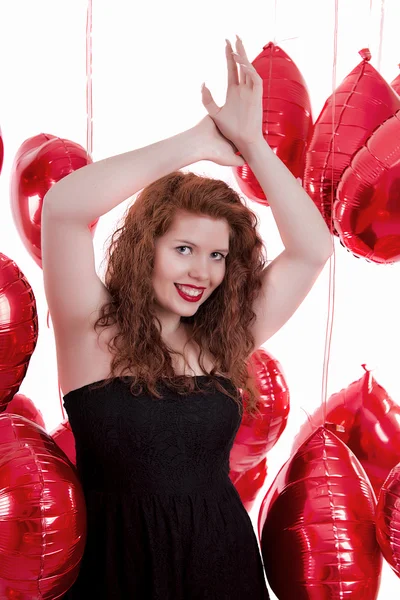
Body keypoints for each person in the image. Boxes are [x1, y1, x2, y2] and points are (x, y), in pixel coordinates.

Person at [42, 36, 333, 599]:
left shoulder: (222, 340)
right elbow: (63, 209)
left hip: (220, 568)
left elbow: (313, 249)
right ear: (144, 248)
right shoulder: (91, 330)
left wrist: (251, 143)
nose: (202, 270)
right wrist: (197, 142)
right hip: (116, 574)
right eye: (183, 249)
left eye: (217, 254)